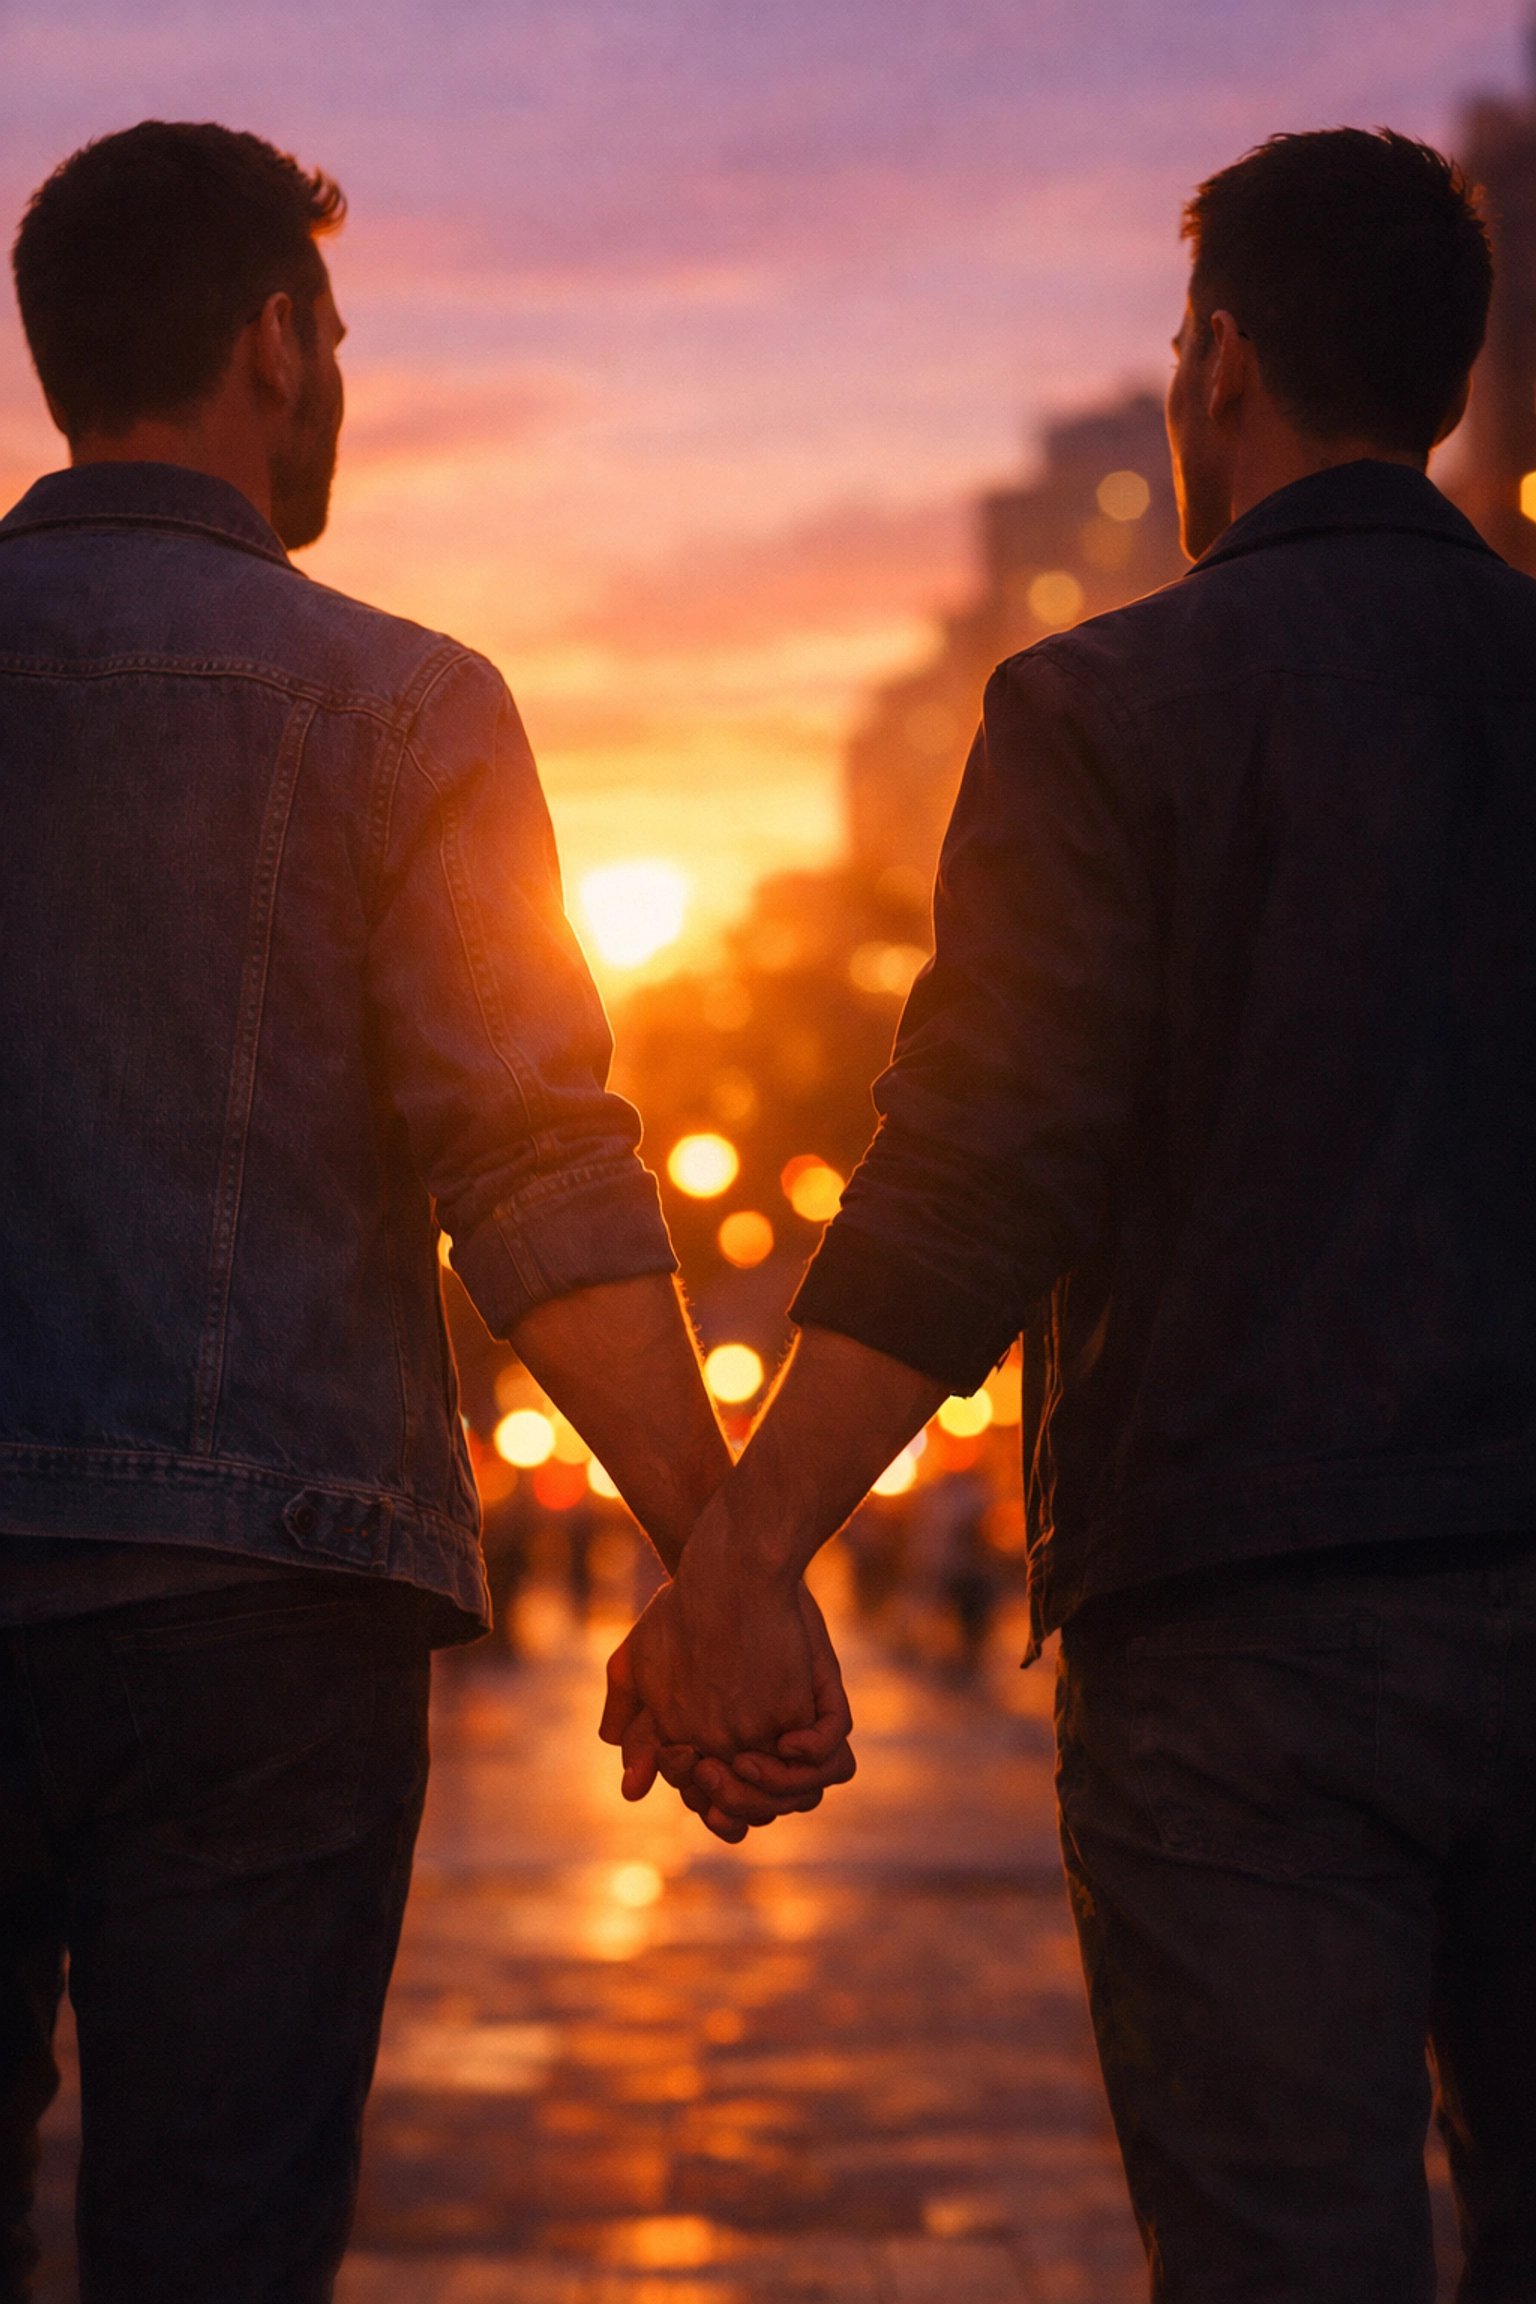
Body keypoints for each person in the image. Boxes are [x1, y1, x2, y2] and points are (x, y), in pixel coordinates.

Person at [606, 129, 1536, 2297]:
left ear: (1217, 368)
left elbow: (982, 1164)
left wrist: (742, 1555)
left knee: (1279, 2256)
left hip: (1238, 1619)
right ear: (1458, 376)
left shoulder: (1105, 709)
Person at [0, 121, 851, 2300]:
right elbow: (531, 1160)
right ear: (278, 344)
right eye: (343, 331)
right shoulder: (399, 708)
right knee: (220, 2240)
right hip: (266, 1610)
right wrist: (722, 1553)